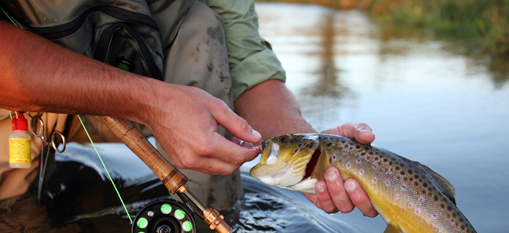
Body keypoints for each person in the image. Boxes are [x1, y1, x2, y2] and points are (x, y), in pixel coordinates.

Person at [0, 1, 378, 218]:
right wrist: (148, 102)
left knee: (202, 21)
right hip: (15, 97)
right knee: (15, 222)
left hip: (155, 99)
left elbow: (245, 58)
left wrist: (313, 150)